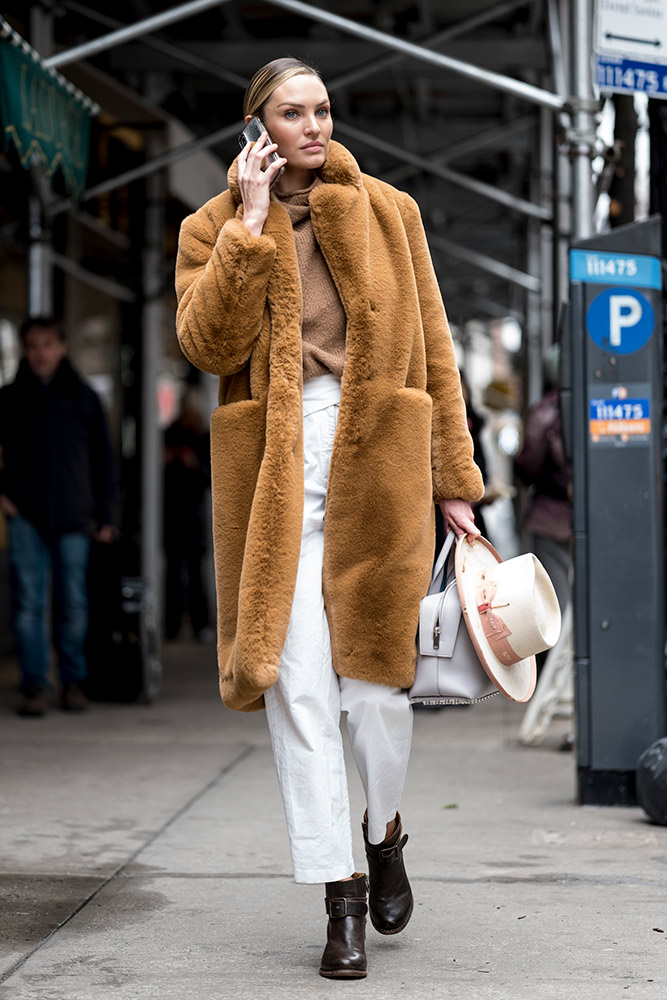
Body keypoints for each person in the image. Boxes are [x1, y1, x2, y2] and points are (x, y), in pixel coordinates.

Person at [175, 57, 483, 980]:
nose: (314, 126)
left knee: (377, 698)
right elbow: (205, 345)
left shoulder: (389, 209)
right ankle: (339, 894)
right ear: (256, 128)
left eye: (322, 110)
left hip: (376, 466)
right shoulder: (212, 225)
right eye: (292, 113)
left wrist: (454, 480)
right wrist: (252, 227)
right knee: (298, 695)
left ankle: (382, 829)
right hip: (271, 473)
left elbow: (434, 345)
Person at [0, 317, 116, 717]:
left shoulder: (84, 398)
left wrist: (106, 514)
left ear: (62, 347)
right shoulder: (10, 397)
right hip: (25, 517)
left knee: (73, 605)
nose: (40, 353)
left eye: (47, 344)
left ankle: (72, 682)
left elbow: (104, 461)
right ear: (24, 350)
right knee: (29, 604)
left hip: (74, 517)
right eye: (32, 345)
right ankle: (34, 685)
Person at [514, 346, 571, 617]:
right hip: (591, 518)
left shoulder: (544, 412)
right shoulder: (595, 406)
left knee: (552, 602)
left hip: (549, 520)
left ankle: (555, 658)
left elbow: (528, 468)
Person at [163, 390, 212, 642]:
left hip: (194, 514)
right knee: (173, 572)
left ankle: (200, 625)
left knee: (196, 572)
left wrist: (194, 464)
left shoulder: (203, 438)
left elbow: (210, 477)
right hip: (173, 512)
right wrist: (170, 459)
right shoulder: (169, 433)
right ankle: (171, 626)